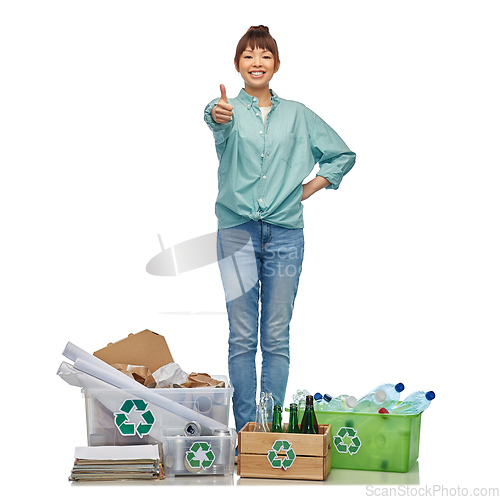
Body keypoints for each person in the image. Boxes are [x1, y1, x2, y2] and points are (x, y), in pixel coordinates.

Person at [204, 25, 356, 434]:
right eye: (249, 55)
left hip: (286, 235)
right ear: (237, 65)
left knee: (275, 335)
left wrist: (305, 190)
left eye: (265, 56)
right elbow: (216, 122)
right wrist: (216, 115)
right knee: (241, 335)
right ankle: (246, 434)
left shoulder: (299, 115)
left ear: (276, 65)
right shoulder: (228, 111)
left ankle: (268, 433)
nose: (257, 62)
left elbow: (342, 154)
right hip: (237, 232)